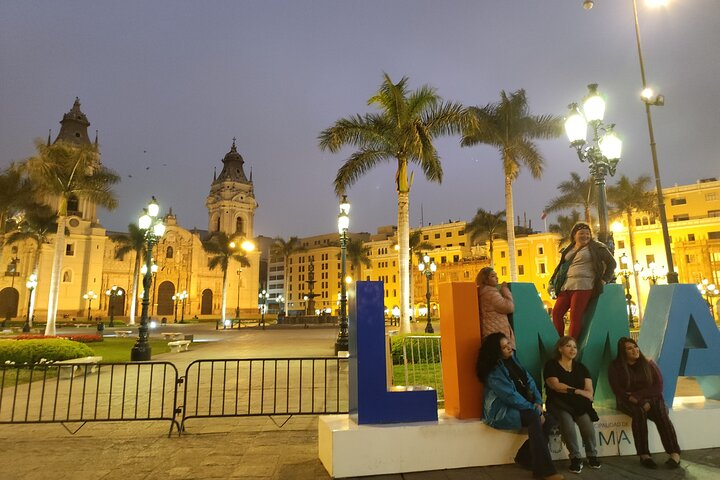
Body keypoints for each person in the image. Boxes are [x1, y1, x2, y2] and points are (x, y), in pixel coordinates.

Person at [476, 332, 564, 480]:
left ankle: (525, 457)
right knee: (533, 417)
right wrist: (533, 409)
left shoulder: (513, 360)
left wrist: (538, 402)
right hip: (500, 411)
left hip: (522, 406)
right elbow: (510, 396)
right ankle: (544, 471)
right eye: (504, 347)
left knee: (549, 420)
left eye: (508, 344)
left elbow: (529, 380)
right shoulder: (494, 372)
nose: (509, 348)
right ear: (496, 352)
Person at [608, 337, 681, 469]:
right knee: (639, 412)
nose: (635, 350)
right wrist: (640, 402)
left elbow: (658, 387)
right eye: (629, 348)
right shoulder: (615, 366)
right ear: (623, 352)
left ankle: (674, 453)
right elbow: (618, 390)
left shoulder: (648, 363)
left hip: (649, 398)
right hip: (627, 401)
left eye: (636, 347)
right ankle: (644, 455)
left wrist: (637, 396)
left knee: (661, 412)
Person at [543, 336, 600, 473]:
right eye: (568, 346)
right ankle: (575, 457)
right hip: (557, 403)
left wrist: (579, 393)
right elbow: (555, 385)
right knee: (566, 421)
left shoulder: (581, 368)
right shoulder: (551, 365)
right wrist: (578, 391)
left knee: (586, 423)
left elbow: (589, 392)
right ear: (560, 349)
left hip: (578, 405)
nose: (572, 349)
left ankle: (592, 455)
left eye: (574, 347)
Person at [548, 222, 616, 339]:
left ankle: (571, 344)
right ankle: (560, 343)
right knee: (556, 313)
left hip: (584, 286)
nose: (585, 236)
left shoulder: (597, 247)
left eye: (587, 234)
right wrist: (552, 281)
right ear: (574, 235)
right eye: (581, 233)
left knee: (575, 316)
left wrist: (604, 280)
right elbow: (561, 267)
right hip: (566, 286)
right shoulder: (569, 249)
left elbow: (612, 263)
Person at [476, 267, 515, 346]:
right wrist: (505, 289)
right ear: (485, 280)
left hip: (490, 332)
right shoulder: (491, 293)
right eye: (493, 276)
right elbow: (509, 307)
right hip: (498, 334)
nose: (497, 278)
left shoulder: (482, 292)